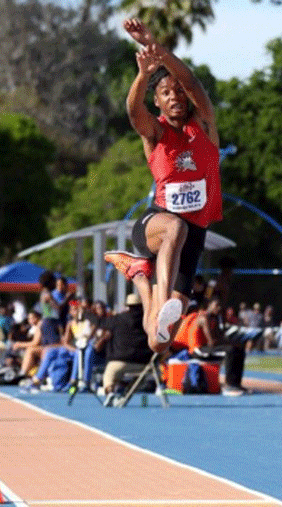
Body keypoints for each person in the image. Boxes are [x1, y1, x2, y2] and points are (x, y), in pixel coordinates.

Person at [104, 18, 222, 353]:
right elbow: (132, 109)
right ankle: (159, 286)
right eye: (166, 93)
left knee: (160, 342)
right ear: (158, 102)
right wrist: (144, 74)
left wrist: (157, 49)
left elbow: (192, 81)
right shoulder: (154, 133)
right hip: (156, 224)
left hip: (192, 236)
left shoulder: (204, 124)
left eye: (178, 92)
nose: (175, 97)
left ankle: (140, 276)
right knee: (175, 228)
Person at [98, 294, 153, 400]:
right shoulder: (147, 320)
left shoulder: (119, 319)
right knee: (139, 378)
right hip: (144, 363)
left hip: (120, 361)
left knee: (109, 374)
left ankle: (110, 393)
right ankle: (127, 392)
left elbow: (101, 323)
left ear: (127, 306)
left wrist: (86, 314)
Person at [189, 297, 247, 396]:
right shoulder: (204, 318)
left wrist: (232, 342)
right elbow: (211, 341)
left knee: (239, 349)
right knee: (230, 351)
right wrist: (229, 343)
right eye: (216, 305)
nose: (219, 308)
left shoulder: (214, 318)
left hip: (207, 347)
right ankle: (229, 384)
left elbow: (219, 337)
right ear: (209, 306)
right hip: (198, 349)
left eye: (220, 306)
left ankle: (236, 383)